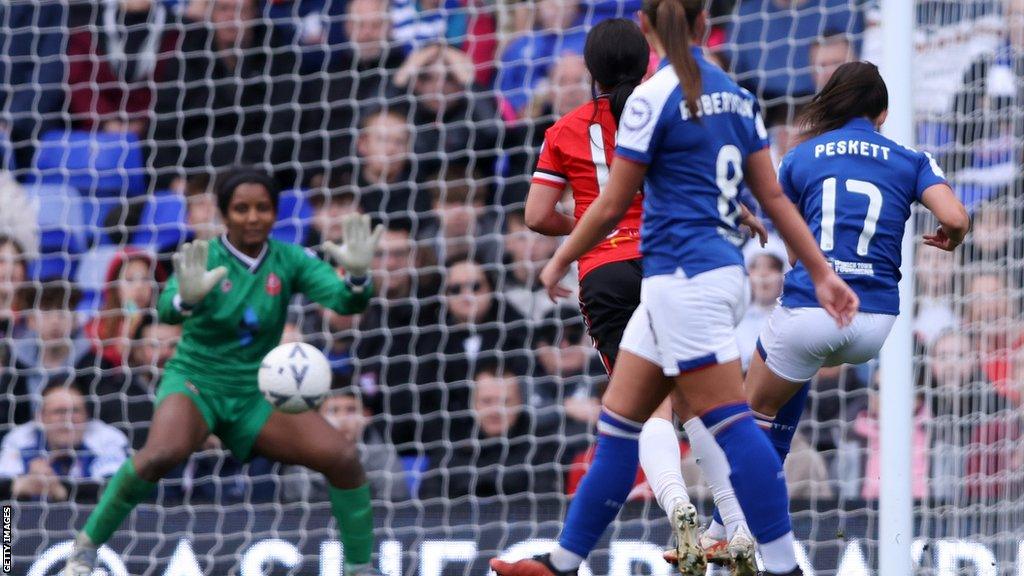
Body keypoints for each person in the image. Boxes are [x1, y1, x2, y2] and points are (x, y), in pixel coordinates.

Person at [492, 2, 860, 576]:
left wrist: (560, 258)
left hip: (684, 278)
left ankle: (783, 564)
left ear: (647, 29)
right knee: (619, 426)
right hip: (692, 275)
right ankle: (562, 563)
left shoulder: (651, 98)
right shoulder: (736, 96)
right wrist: (819, 270)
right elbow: (773, 198)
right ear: (704, 22)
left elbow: (612, 203)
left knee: (727, 421)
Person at [518, 17, 764, 573]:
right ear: (647, 60)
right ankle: (737, 524)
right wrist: (743, 212)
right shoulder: (663, 113)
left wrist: (582, 231)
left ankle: (679, 510)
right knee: (699, 398)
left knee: (641, 406)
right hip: (667, 262)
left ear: (590, 72)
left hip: (605, 276)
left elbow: (536, 214)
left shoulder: (563, 130)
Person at [63, 167, 385, 576]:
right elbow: (164, 309)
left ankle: (360, 568)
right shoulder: (205, 256)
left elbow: (345, 303)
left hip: (256, 394)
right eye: (241, 208)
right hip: (197, 381)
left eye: (263, 208)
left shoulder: (289, 259)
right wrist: (184, 300)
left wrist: (357, 277)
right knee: (162, 453)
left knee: (341, 457)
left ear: (275, 212)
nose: (253, 217)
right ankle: (86, 546)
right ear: (224, 213)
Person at [740, 61, 971, 550]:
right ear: (882, 114)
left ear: (832, 104)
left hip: (812, 310)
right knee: (789, 391)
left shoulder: (801, 157)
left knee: (747, 415)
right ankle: (753, 532)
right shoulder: (911, 157)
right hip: (875, 323)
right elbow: (955, 215)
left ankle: (731, 532)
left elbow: (782, 218)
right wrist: (952, 236)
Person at [0, 383, 129, 502]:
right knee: (7, 515)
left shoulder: (106, 438)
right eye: (59, 411)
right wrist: (19, 486)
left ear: (87, 416)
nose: (68, 419)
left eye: (76, 411)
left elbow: (117, 489)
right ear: (40, 417)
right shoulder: (20, 439)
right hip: (26, 520)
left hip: (88, 522)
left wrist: (63, 490)